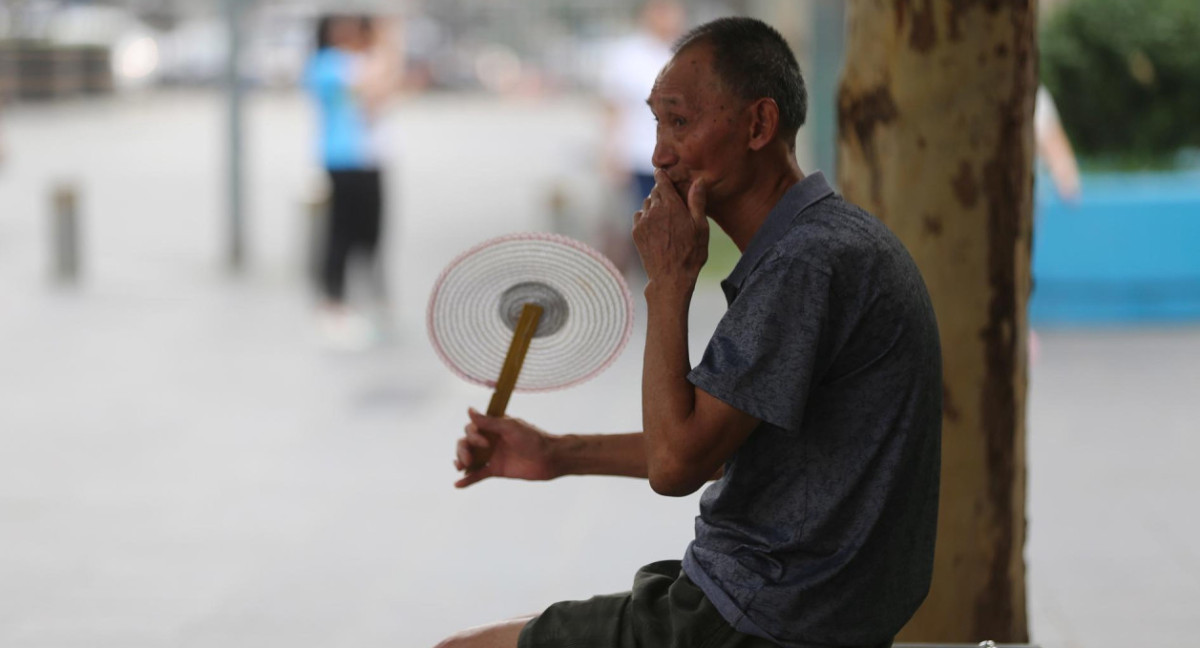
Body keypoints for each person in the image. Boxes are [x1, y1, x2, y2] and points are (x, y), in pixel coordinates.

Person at [439, 17, 942, 648]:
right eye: (655, 123)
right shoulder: (824, 241)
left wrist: (670, 283)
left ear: (759, 125)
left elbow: (678, 464)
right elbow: (719, 437)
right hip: (795, 604)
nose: (659, 155)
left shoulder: (806, 263)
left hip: (760, 615)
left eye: (680, 122)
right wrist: (557, 454)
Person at [304, 14, 401, 349]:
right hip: (343, 161)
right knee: (341, 233)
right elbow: (374, 88)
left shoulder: (357, 61)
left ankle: (367, 300)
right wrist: (389, 40)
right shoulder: (328, 63)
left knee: (371, 233)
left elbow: (380, 98)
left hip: (370, 160)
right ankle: (332, 302)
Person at [597, 0, 686, 276]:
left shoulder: (689, 53)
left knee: (677, 223)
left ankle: (668, 276)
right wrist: (611, 152)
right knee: (643, 221)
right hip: (640, 156)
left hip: (682, 158)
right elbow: (614, 107)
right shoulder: (628, 56)